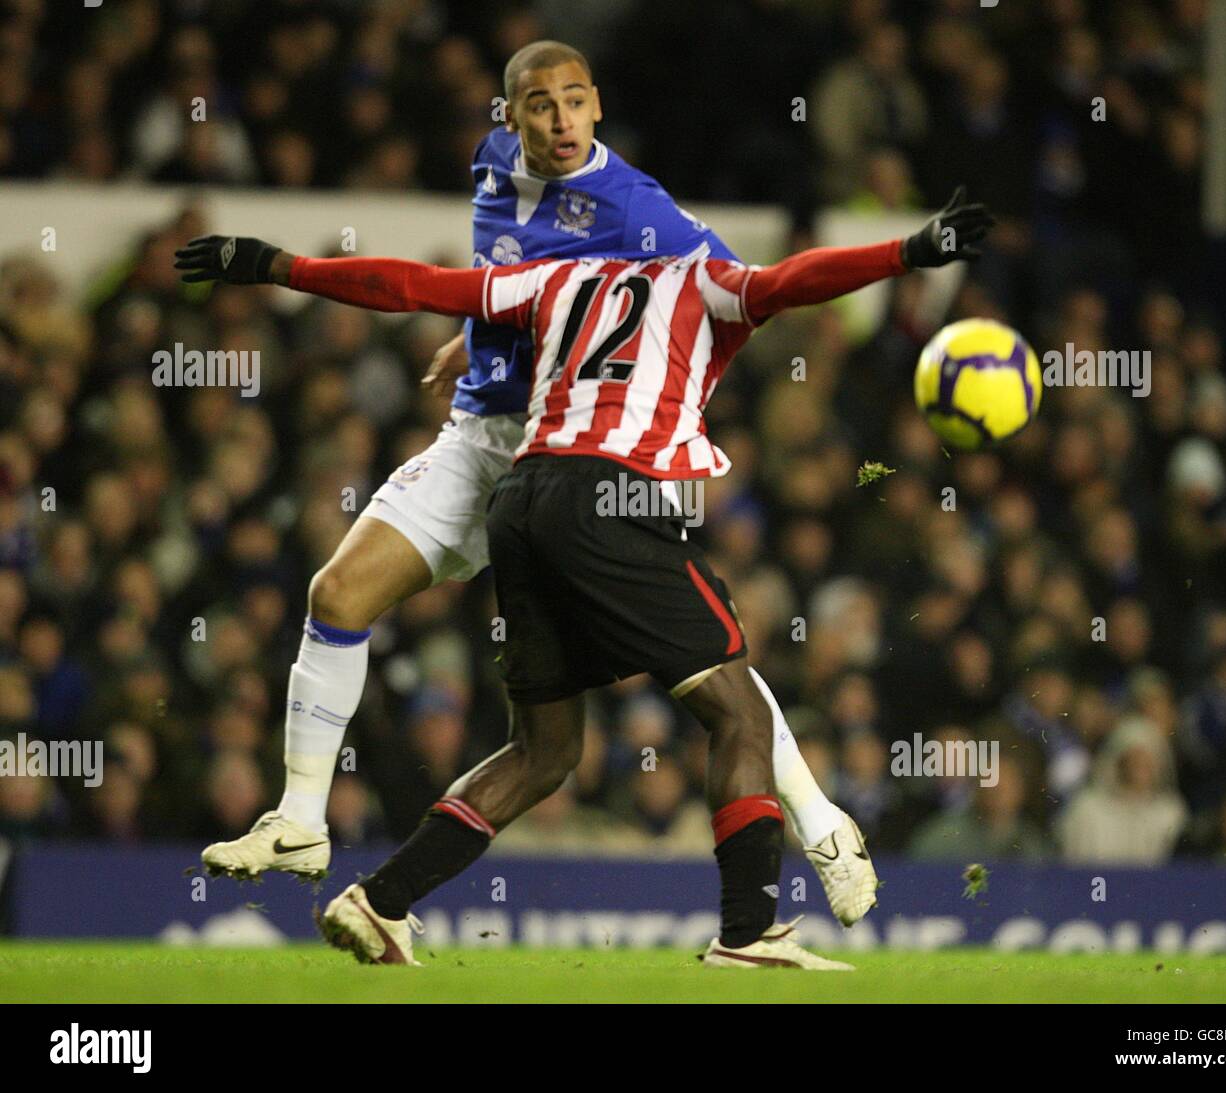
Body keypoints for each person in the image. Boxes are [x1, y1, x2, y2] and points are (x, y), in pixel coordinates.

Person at [175, 181, 992, 967]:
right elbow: (798, 280)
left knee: (545, 750)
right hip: (611, 496)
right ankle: (750, 934)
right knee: (736, 706)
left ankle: (380, 901)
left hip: (520, 503)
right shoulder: (700, 277)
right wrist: (912, 250)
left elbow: (415, 284)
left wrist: (278, 265)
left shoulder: (555, 281)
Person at [193, 40, 881, 926]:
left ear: (595, 106)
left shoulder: (641, 211)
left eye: (574, 104)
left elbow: (715, 297)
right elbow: (492, 286)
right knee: (339, 592)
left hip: (581, 450)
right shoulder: (489, 170)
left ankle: (821, 825)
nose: (559, 123)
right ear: (507, 115)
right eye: (540, 107)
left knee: (708, 670)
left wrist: (665, 401)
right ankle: (298, 821)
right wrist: (484, 338)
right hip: (484, 439)